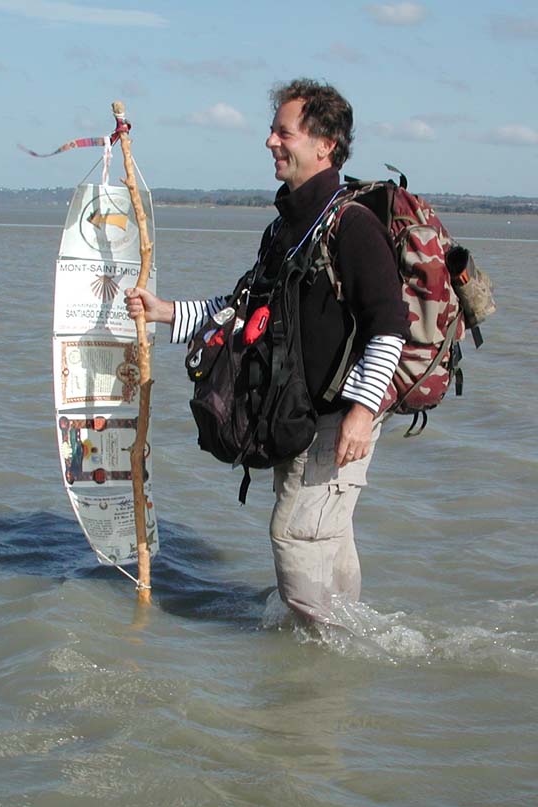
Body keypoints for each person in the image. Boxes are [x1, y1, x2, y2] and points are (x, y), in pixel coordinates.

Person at [125, 79, 410, 625]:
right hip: (297, 419)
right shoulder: (286, 225)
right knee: (326, 536)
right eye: (272, 130)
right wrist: (166, 313)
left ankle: (309, 665)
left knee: (294, 535)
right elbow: (245, 310)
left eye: (284, 131)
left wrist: (361, 412)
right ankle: (349, 648)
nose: (269, 141)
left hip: (337, 419)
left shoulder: (352, 225)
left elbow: (389, 325)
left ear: (324, 145)